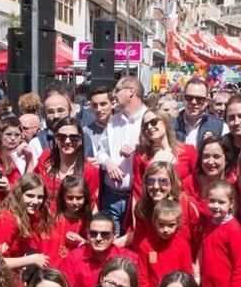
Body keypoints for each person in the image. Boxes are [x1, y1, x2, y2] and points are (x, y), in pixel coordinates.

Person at [97, 76, 147, 231]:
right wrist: (108, 163)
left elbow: (161, 148)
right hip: (111, 196)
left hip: (138, 196)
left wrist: (138, 147)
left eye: (117, 90)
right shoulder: (113, 121)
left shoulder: (150, 118)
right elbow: (101, 151)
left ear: (131, 92)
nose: (114, 94)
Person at [0, 173, 52, 275]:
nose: (35, 201)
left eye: (40, 197)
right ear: (19, 194)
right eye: (30, 196)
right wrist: (32, 259)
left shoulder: (27, 215)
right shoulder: (6, 220)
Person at [59, 212, 137, 287]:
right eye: (93, 233)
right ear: (87, 234)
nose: (98, 238)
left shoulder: (130, 259)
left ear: (115, 236)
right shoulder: (74, 257)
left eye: (105, 234)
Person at [198, 180, 241, 287]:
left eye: (221, 202)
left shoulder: (234, 231)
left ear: (231, 203)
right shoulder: (210, 223)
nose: (215, 205)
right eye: (212, 200)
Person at [132, 108, 198, 201]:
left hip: (183, 210)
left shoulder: (188, 151)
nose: (149, 127)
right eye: (145, 125)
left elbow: (197, 183)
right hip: (154, 212)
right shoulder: (141, 157)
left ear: (165, 122)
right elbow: (138, 193)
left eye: (154, 122)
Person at [34, 117, 100, 210]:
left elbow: (92, 205)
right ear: (56, 140)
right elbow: (32, 186)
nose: (67, 141)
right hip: (45, 220)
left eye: (74, 137)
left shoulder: (90, 171)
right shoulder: (45, 160)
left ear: (80, 141)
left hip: (74, 221)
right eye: (62, 137)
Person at [36, 175, 90, 267]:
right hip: (44, 266)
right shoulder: (50, 211)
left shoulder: (86, 220)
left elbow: (93, 245)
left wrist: (82, 241)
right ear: (62, 196)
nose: (74, 202)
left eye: (79, 198)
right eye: (70, 197)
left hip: (68, 270)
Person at [183, 136, 237, 217]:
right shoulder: (189, 183)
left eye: (216, 156)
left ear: (226, 159)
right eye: (206, 156)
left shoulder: (234, 184)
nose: (210, 161)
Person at [175, 78, 228, 149]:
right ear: (183, 99)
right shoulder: (169, 126)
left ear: (207, 101)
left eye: (199, 99)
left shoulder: (221, 127)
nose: (194, 102)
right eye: (189, 98)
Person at [82, 85, 113, 157]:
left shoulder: (122, 127)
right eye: (95, 105)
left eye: (103, 104)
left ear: (112, 103)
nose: (98, 109)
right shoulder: (84, 133)